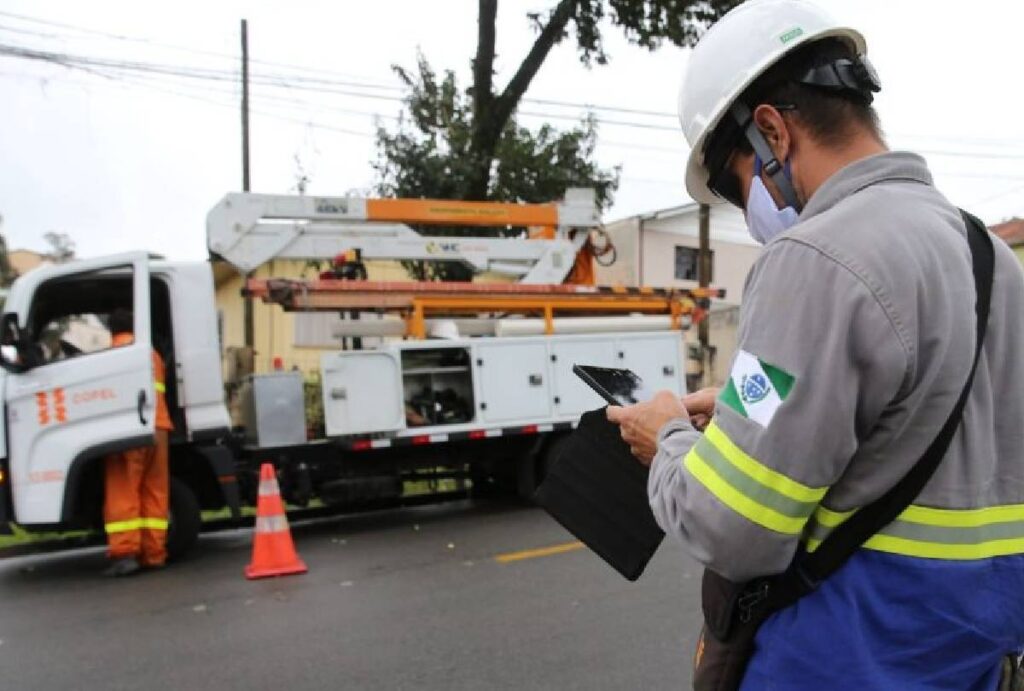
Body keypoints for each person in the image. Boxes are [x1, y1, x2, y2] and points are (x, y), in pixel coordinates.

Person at [606, 0, 1024, 688]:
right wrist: (741, 415)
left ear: (771, 130)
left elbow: (733, 525)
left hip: (849, 653)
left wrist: (670, 438)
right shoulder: (989, 254)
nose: (752, 215)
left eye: (741, 188)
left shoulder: (817, 256)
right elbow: (911, 428)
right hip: (968, 658)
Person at [103, 308, 174, 576]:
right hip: (159, 427)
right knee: (155, 491)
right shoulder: (151, 353)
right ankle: (154, 554)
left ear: (112, 330)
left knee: (124, 491)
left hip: (130, 430)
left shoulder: (113, 354)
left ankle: (125, 554)